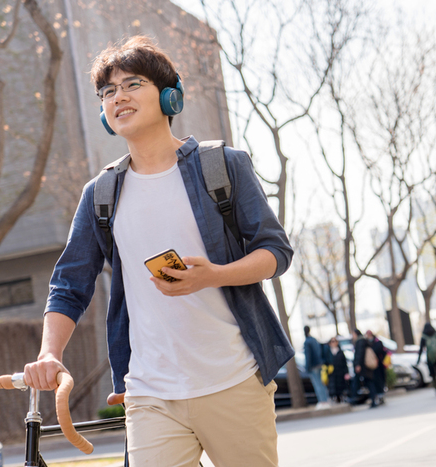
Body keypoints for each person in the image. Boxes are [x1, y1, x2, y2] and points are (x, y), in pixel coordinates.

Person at [23, 36, 294, 467]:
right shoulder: (101, 194)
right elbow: (68, 284)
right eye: (108, 91)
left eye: (133, 84)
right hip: (150, 392)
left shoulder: (222, 166)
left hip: (233, 379)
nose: (119, 97)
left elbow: (276, 251)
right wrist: (49, 353)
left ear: (170, 96)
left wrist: (214, 275)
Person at [351, 329, 379, 408]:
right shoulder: (364, 341)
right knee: (369, 382)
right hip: (366, 366)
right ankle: (374, 399)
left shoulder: (360, 342)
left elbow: (359, 354)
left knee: (368, 383)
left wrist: (358, 365)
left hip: (364, 367)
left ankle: (372, 400)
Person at [304, 326, 330, 408]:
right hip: (319, 364)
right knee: (321, 383)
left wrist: (307, 367)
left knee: (317, 384)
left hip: (313, 366)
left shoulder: (307, 342)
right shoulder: (314, 340)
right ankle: (325, 400)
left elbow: (308, 356)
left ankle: (322, 402)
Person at [325, 337, 349, 403]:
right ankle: (336, 399)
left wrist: (346, 372)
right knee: (333, 387)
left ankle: (341, 398)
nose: (334, 343)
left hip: (340, 372)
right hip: (332, 372)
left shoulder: (340, 352)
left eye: (335, 341)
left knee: (341, 386)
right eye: (332, 341)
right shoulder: (328, 352)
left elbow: (344, 363)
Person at [365, 330, 386, 404]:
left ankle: (381, 396)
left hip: (379, 365)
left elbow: (381, 351)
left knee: (380, 381)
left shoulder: (377, 342)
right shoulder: (367, 343)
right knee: (375, 381)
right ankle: (378, 396)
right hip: (372, 366)